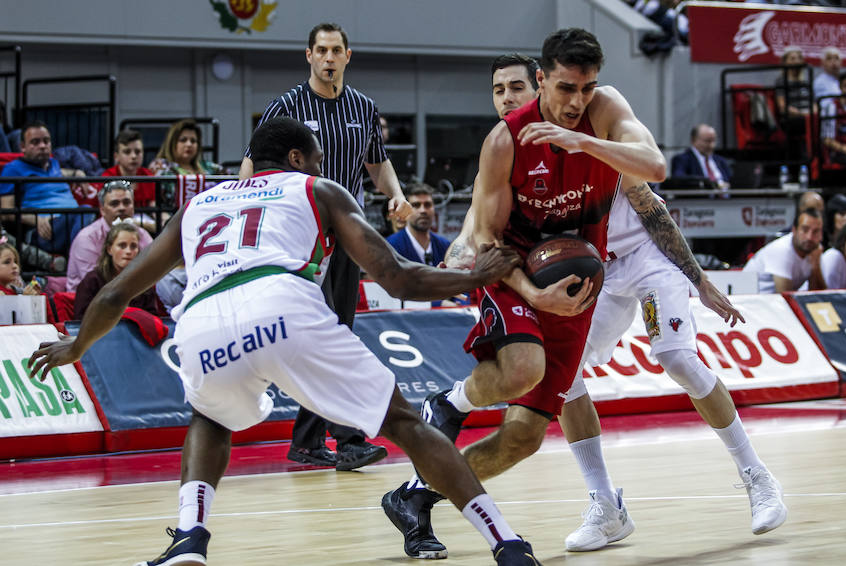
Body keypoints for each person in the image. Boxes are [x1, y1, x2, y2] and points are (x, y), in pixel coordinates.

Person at [28, 116, 540, 566]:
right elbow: (397, 277)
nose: (320, 166)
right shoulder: (316, 190)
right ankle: (506, 542)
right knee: (404, 422)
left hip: (201, 322)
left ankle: (189, 537)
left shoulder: (200, 205)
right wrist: (474, 277)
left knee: (210, 417)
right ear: (297, 158)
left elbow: (117, 291)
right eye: (316, 159)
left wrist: (76, 347)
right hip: (280, 302)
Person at [392, 44, 785, 558]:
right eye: (498, 90)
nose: (509, 98)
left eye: (517, 87)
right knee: (567, 378)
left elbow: (652, 206)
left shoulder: (599, 126)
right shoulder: (507, 149)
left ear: (539, 86)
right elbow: (478, 227)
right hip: (587, 269)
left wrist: (700, 280)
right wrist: (461, 256)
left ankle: (757, 475)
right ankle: (606, 506)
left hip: (642, 257)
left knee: (676, 357)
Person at [239, 22, 412, 471]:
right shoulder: (287, 106)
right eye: (321, 50)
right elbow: (251, 164)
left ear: (347, 56)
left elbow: (378, 163)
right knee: (327, 335)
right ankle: (347, 436)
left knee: (333, 333)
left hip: (347, 236)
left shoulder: (364, 108)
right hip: (300, 238)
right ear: (309, 56)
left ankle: (312, 438)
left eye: (337, 50)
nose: (329, 57)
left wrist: (395, 194)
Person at [0, 121, 92, 255]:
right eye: (35, 142)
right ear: (22, 147)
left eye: (46, 141)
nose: (42, 146)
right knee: (86, 212)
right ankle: (79, 261)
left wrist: (78, 173)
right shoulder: (12, 170)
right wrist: (36, 219)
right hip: (45, 230)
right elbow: (6, 212)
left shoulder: (53, 164)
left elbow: (65, 172)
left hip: (72, 222)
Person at [66, 180, 153, 292]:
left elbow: (154, 268)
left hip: (133, 295)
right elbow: (95, 284)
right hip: (91, 301)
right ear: (102, 210)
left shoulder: (142, 234)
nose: (122, 208)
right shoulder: (87, 238)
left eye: (126, 202)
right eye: (114, 204)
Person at [73, 222, 163, 320]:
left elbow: (153, 320)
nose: (128, 251)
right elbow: (80, 320)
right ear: (109, 249)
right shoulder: (92, 281)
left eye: (133, 246)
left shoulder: (144, 283)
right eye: (122, 246)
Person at [743, 207, 826, 293]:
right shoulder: (781, 249)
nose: (809, 237)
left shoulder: (815, 251)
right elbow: (785, 296)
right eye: (805, 230)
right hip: (749, 300)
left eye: (816, 231)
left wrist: (816, 266)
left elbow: (819, 297)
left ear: (821, 234)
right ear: (794, 230)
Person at [151, 119, 225, 208]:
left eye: (193, 141)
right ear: (172, 143)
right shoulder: (161, 166)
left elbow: (231, 179)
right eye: (183, 140)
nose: (189, 144)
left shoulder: (207, 167)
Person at [101, 129, 158, 232]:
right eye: (127, 152)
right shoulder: (108, 177)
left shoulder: (148, 175)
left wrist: (165, 221)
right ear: (116, 156)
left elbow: (154, 207)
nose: (133, 156)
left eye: (138, 152)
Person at [386, 183, 450, 266]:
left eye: (428, 205)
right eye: (416, 205)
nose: (423, 210)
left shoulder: (445, 246)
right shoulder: (391, 246)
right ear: (406, 209)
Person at [670, 123, 732, 192]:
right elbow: (678, 178)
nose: (712, 146)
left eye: (713, 141)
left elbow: (732, 181)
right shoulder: (682, 160)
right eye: (707, 141)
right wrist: (709, 183)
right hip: (700, 201)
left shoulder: (721, 161)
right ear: (693, 140)